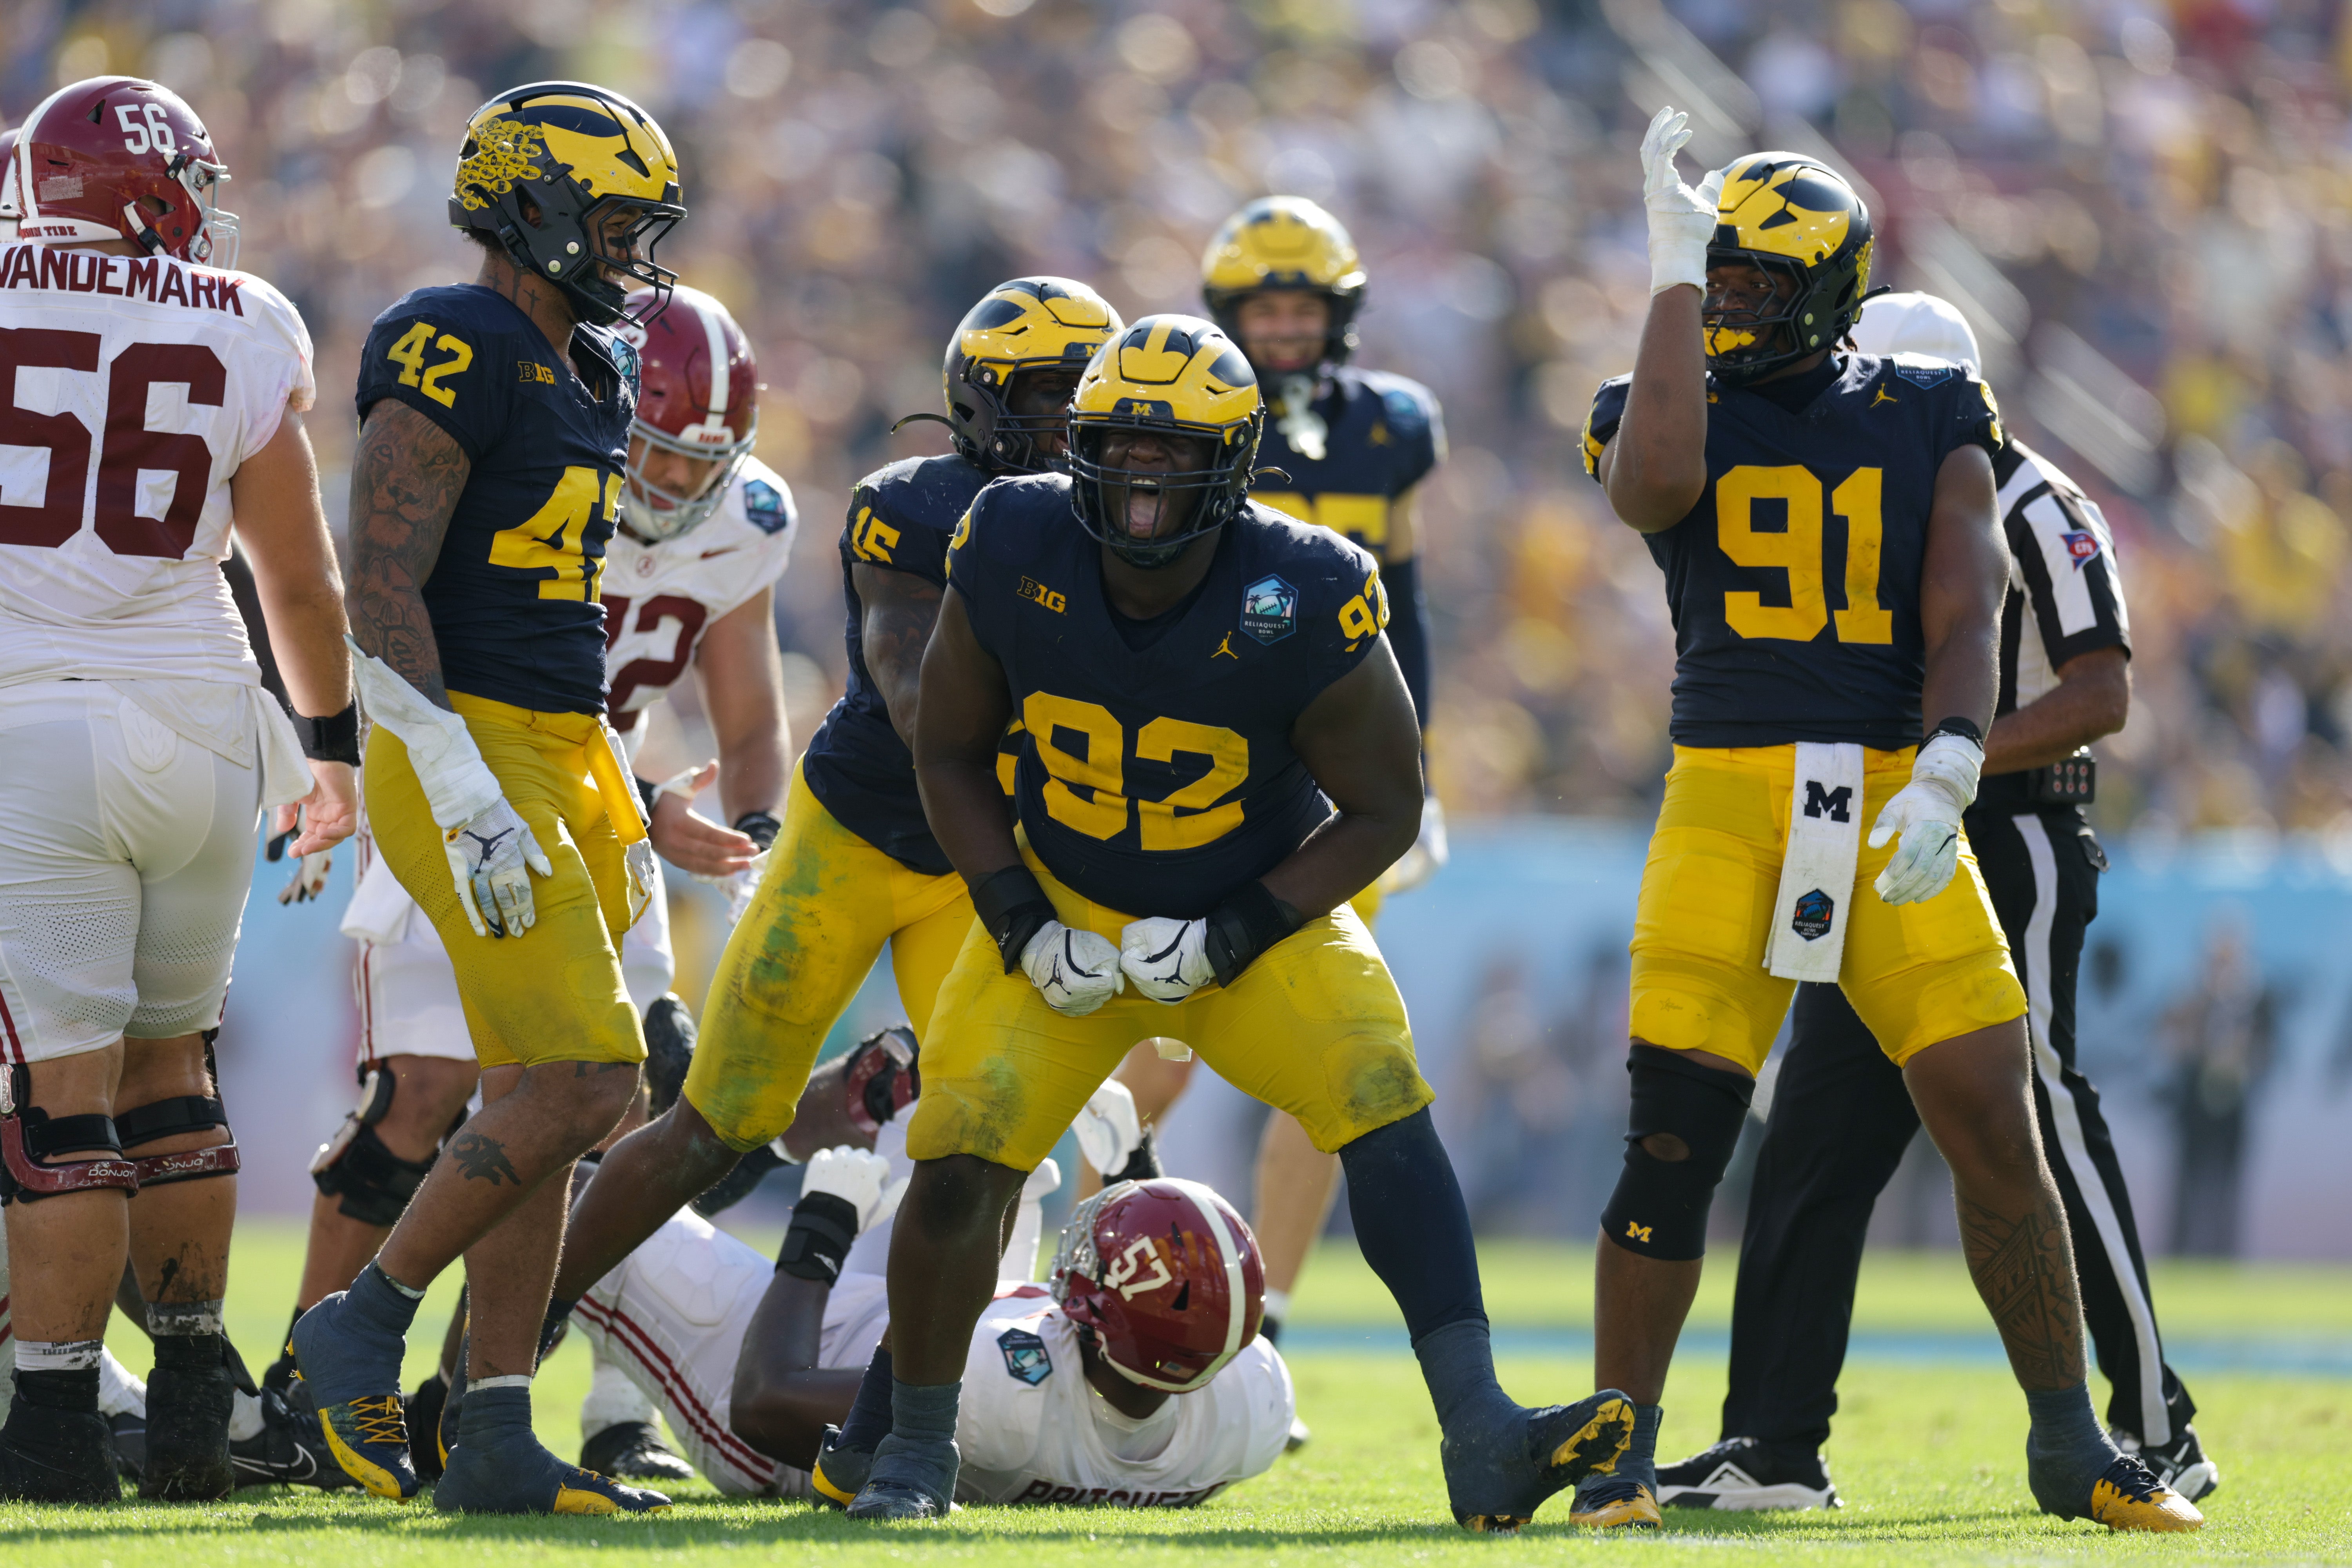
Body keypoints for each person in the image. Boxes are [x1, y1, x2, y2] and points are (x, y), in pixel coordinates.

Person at [837, 311, 1633, 1528]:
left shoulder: (1307, 583)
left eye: (1173, 455)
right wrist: (1014, 918)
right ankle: (908, 1457)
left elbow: (1385, 805)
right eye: (1116, 445)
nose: (1139, 479)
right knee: (960, 1155)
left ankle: (1480, 1428)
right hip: (1063, 908)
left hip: (1248, 915)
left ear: (1239, 460)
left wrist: (1239, 929)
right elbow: (945, 751)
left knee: (1383, 1097)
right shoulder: (1009, 533)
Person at [1573, 109, 2200, 1533]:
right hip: (1724, 796)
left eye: (1749, 284)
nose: (1728, 303)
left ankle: (2069, 1442)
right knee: (1675, 1135)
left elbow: (1968, 599)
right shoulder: (1662, 390)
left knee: (1994, 1116)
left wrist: (1956, 757)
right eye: (1714, 279)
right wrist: (1671, 275)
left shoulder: (1929, 407)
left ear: (1832, 293)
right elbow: (1654, 483)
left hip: (1882, 796)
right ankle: (1621, 1457)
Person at [542, 277, 1122, 1360]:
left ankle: (915, 1415)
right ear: (983, 398)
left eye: (1088, 391)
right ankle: (502, 1352)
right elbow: (915, 706)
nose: (1070, 417)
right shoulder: (910, 502)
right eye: (1048, 392)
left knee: (982, 1143)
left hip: (979, 864)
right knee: (715, 1126)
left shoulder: (1123, 532)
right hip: (858, 837)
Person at [272, 283, 795, 1485]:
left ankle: (498, 1407)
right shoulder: (546, 445)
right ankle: (324, 1378)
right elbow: (396, 606)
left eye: (699, 459)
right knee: (435, 1093)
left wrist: (744, 828)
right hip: (475, 769)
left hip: (592, 789)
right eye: (656, 452)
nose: (671, 483)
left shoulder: (740, 517)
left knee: (602, 1087)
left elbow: (753, 716)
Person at [287, 82, 689, 1517]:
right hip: (468, 744)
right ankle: (361, 1322)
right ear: (532, 202)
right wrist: (454, 778)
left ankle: (501, 1429)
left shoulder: (587, 362)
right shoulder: (451, 339)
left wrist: (616, 784)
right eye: (614, 217)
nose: (634, 248)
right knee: (596, 1076)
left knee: (544, 1089)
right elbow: (380, 579)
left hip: (568, 743)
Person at [0, 76, 358, 1501]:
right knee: (174, 1074)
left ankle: (58, 1424)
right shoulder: (248, 318)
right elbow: (299, 578)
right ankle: (203, 1393)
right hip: (207, 719)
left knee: (59, 1098)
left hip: (31, 719)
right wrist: (330, 750)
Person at [1093, 201, 1452, 1413]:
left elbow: (1401, 603)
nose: (1288, 331)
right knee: (1158, 1042)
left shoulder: (1395, 428)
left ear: (1338, 316)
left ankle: (1272, 1321)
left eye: (1305, 310)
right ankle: (1084, 1276)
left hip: (1336, 780)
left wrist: (1422, 770)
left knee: (1333, 1059)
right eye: (1267, 312)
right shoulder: (1208, 422)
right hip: (1219, 767)